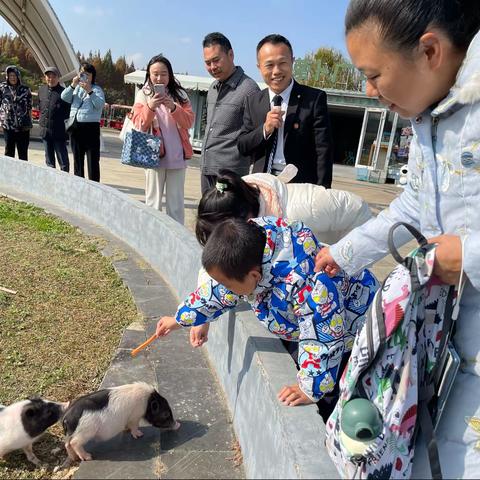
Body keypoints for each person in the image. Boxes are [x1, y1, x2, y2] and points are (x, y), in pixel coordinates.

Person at [314, 0, 480, 477]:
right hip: (445, 342)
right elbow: (414, 205)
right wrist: (344, 254)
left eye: (373, 74)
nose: (370, 90)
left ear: (430, 51)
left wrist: (469, 254)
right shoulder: (430, 117)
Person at [155, 216, 378, 419]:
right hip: (328, 323)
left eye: (227, 283)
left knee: (342, 394)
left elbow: (323, 336)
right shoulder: (256, 249)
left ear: (253, 275)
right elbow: (218, 292)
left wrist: (310, 388)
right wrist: (180, 319)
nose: (224, 288)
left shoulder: (309, 285)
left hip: (357, 329)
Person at [238, 35, 334, 187]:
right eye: (269, 65)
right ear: (259, 67)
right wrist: (265, 129)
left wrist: (323, 191)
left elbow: (323, 151)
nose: (276, 71)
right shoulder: (253, 101)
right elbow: (243, 146)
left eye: (282, 63)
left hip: (300, 187)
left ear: (292, 62)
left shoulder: (314, 99)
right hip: (263, 184)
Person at [195, 166, 372, 247]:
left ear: (246, 217)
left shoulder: (306, 207)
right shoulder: (240, 199)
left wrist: (341, 257)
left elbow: (359, 211)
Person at [131, 55, 194, 225]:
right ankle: (151, 237)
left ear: (170, 75)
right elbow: (140, 124)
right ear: (149, 75)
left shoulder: (180, 94)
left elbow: (189, 121)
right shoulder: (143, 95)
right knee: (153, 202)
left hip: (177, 157)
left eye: (164, 74)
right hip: (153, 156)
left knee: (176, 204)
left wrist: (173, 107)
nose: (159, 78)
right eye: (155, 74)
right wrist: (150, 106)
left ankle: (176, 241)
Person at [200, 32, 260, 194]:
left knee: (228, 218)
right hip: (207, 169)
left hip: (231, 174)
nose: (212, 67)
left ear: (231, 54)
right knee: (208, 217)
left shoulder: (249, 89)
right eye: (207, 63)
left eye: (216, 60)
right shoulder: (212, 88)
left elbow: (254, 136)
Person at [61, 63, 105, 182]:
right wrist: (72, 85)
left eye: (87, 74)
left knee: (93, 160)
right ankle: (79, 184)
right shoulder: (75, 88)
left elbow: (100, 105)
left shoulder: (97, 90)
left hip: (91, 128)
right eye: (82, 73)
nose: (84, 76)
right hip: (76, 127)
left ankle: (94, 185)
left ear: (92, 76)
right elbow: (64, 97)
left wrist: (89, 91)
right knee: (78, 159)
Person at [38, 66, 70, 172]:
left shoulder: (64, 93)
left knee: (63, 162)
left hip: (59, 133)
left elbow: (69, 113)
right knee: (49, 162)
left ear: (58, 78)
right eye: (48, 76)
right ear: (45, 77)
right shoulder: (41, 90)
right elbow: (40, 107)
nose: (50, 79)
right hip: (45, 132)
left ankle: (65, 182)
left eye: (53, 76)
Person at [0, 65, 32, 161]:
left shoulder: (26, 89)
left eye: (14, 75)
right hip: (8, 125)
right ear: (7, 77)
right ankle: (8, 175)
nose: (13, 78)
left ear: (18, 76)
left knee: (23, 154)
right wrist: (0, 123)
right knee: (9, 152)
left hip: (23, 127)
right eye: (10, 76)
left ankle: (23, 175)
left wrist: (29, 122)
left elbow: (29, 107)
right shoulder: (2, 88)